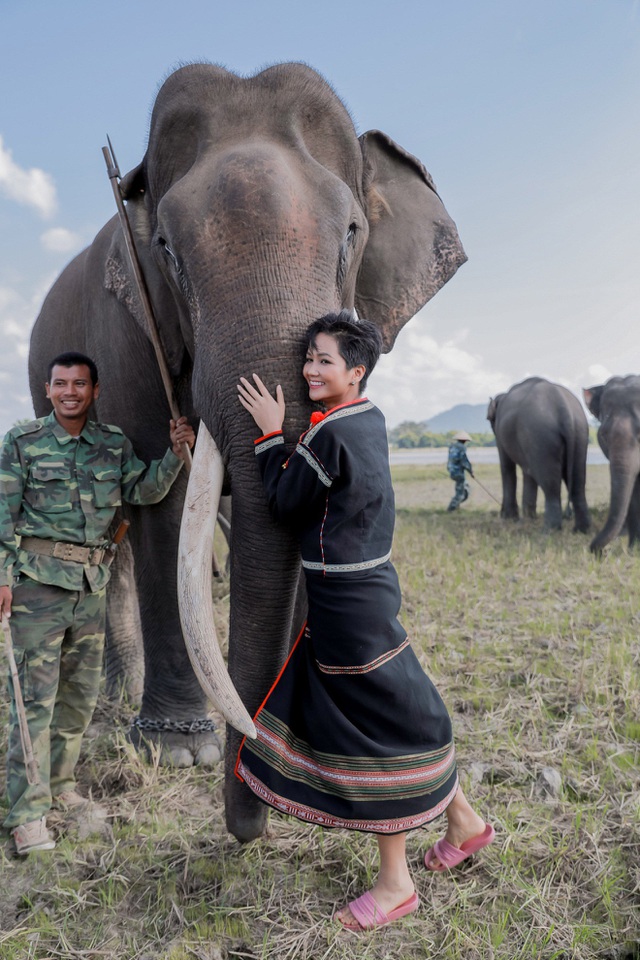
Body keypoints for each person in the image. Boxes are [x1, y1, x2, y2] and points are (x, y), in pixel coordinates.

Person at [235, 311, 493, 931]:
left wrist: (272, 435)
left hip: (346, 604)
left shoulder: (331, 435)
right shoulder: (368, 419)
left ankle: (395, 883)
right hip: (366, 592)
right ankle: (465, 823)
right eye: (309, 359)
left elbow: (285, 502)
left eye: (324, 360)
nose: (310, 369)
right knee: (403, 708)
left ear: (357, 369)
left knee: (372, 729)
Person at [0, 351, 195, 855]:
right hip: (35, 589)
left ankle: (61, 787)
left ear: (95, 390)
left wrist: (174, 454)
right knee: (31, 704)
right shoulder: (22, 443)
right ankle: (26, 815)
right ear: (48, 390)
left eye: (80, 384)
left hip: (90, 589)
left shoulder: (112, 445)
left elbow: (144, 491)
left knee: (79, 699)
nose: (70, 392)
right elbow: (3, 514)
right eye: (61, 383)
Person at [447, 430, 474, 511]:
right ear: (464, 440)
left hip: (452, 471)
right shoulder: (462, 448)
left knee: (464, 488)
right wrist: (471, 472)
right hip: (458, 473)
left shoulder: (452, 447)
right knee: (461, 493)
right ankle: (452, 508)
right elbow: (464, 461)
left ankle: (456, 506)